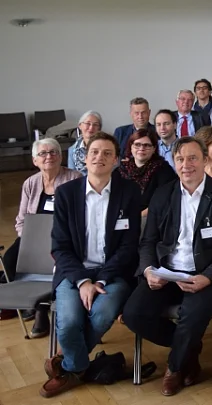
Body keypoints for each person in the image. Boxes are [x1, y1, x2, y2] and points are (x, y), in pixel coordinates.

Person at [123, 137, 212, 397]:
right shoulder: (163, 195)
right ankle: (190, 349)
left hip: (205, 275)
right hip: (166, 272)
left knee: (191, 316)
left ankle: (175, 367)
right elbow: (148, 241)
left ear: (205, 160)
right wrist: (148, 270)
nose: (186, 164)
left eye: (192, 158)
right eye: (180, 159)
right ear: (173, 162)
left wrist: (208, 276)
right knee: (133, 314)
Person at [44, 133, 141, 398]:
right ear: (85, 158)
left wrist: (100, 280)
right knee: (68, 322)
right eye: (94, 152)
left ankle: (68, 367)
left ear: (116, 160)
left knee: (101, 314)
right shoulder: (66, 194)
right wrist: (83, 281)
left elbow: (128, 247)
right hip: (73, 273)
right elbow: (60, 247)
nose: (100, 157)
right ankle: (77, 367)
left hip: (114, 274)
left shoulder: (129, 192)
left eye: (107, 153)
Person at [4, 139, 82, 338]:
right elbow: (21, 219)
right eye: (43, 153)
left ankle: (41, 310)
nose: (49, 156)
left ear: (61, 156)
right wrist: (29, 238)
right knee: (10, 261)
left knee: (53, 262)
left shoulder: (74, 178)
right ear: (35, 160)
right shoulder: (30, 183)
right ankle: (29, 300)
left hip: (64, 238)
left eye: (54, 152)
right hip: (33, 237)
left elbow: (80, 217)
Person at [118, 128, 178, 214]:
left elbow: (165, 199)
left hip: (151, 216)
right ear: (131, 147)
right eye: (137, 144)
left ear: (154, 148)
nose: (141, 148)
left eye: (146, 145)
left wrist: (140, 216)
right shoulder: (121, 169)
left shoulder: (163, 169)